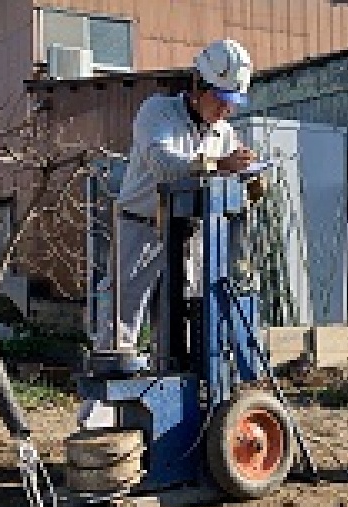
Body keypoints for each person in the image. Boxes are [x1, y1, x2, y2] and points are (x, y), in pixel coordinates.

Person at [98, 39, 257, 352]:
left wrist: (249, 175)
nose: (227, 108)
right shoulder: (157, 112)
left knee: (179, 332)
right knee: (120, 328)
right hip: (140, 228)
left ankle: (173, 395)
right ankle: (105, 400)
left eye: (233, 101)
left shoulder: (223, 132)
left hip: (186, 236)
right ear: (198, 84)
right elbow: (165, 166)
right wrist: (219, 164)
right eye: (221, 98)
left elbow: (230, 174)